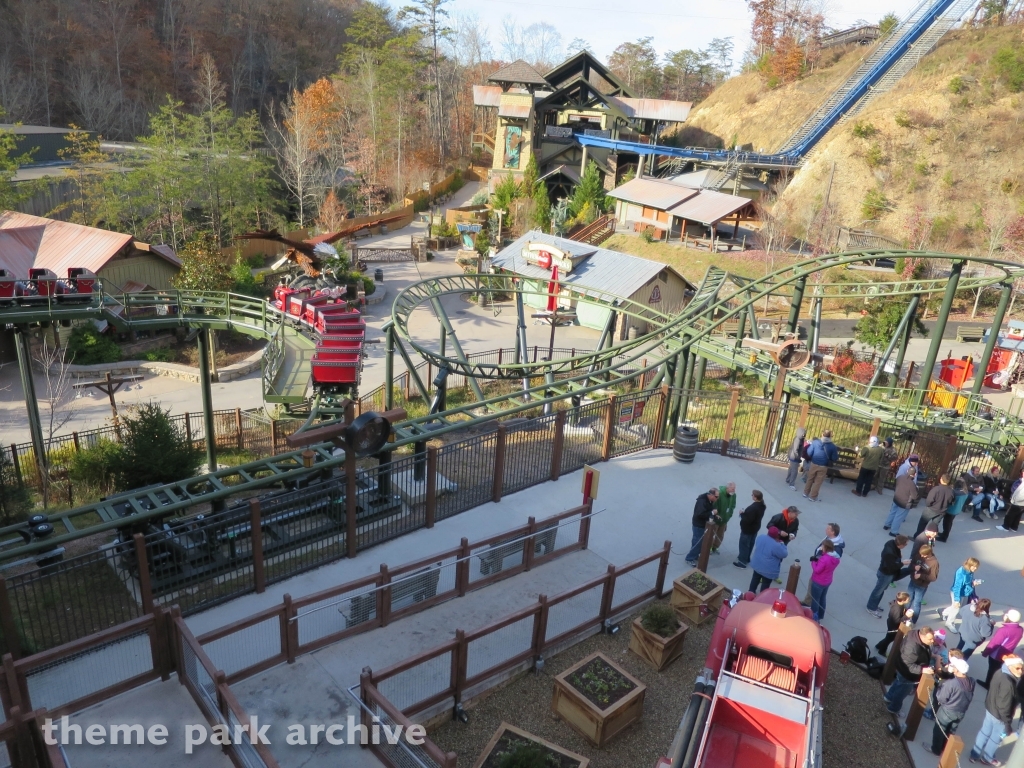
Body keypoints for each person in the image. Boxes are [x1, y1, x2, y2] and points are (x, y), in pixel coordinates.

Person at [969, 654, 1023, 766]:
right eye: (1017, 668)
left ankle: (974, 753)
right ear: (1010, 666)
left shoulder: (999, 672)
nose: (1021, 671)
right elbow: (1004, 706)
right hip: (1000, 717)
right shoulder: (1009, 683)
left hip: (990, 709)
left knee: (984, 732)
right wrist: (1007, 724)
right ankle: (987, 757)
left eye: (1022, 668)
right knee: (996, 739)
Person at [927, 656, 975, 756]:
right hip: (961, 712)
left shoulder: (952, 683)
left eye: (954, 666)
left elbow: (941, 698)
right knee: (950, 731)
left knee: (939, 729)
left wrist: (940, 687)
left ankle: (935, 749)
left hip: (947, 711)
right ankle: (945, 748)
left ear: (957, 670)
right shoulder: (971, 681)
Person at [884, 625, 935, 715]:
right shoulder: (912, 647)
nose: (932, 641)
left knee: (898, 683)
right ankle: (894, 708)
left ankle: (889, 697)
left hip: (902, 669)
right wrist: (923, 670)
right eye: (930, 639)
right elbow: (908, 665)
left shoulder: (916, 635)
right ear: (922, 636)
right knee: (901, 692)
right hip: (907, 674)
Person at [867, 534, 911, 616]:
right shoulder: (890, 554)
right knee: (878, 591)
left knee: (880, 591)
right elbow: (892, 566)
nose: (905, 546)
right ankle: (871, 607)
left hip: (885, 573)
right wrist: (902, 563)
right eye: (905, 544)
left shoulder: (891, 543)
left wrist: (899, 556)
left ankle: (874, 606)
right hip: (885, 574)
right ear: (901, 544)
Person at [980, 609, 1023, 689]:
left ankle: (988, 684)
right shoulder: (1020, 629)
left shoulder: (1003, 630)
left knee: (992, 670)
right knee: (998, 669)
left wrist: (985, 652)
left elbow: (994, 643)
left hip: (996, 654)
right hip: (1007, 653)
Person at [685, 488, 721, 566]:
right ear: (710, 495)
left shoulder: (709, 500)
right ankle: (689, 558)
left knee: (700, 542)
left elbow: (708, 509)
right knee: (697, 542)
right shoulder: (702, 501)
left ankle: (695, 555)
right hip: (698, 525)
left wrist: (714, 515)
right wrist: (712, 512)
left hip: (703, 524)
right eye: (716, 496)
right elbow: (700, 514)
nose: (717, 498)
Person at [941, 557, 981, 628]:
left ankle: (943, 612)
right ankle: (949, 623)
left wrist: (973, 582)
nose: (975, 568)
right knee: (956, 608)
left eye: (976, 567)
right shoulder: (962, 573)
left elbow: (968, 581)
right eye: (974, 566)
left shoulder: (969, 571)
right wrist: (957, 600)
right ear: (969, 565)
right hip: (958, 593)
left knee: (959, 607)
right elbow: (957, 587)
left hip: (965, 593)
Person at [749, 526, 789, 594]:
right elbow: (784, 554)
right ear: (777, 535)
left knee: (755, 579)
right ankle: (761, 598)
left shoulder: (761, 537)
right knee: (765, 585)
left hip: (757, 564)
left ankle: (750, 594)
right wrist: (782, 544)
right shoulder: (777, 545)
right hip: (768, 570)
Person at [733, 490, 766, 569]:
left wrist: (742, 514)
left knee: (744, 545)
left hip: (747, 529)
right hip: (755, 528)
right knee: (750, 544)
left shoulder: (753, 508)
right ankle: (747, 558)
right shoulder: (762, 506)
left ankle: (742, 562)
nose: (751, 496)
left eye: (752, 495)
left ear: (755, 497)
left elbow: (748, 520)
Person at [802, 430, 838, 502]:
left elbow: (809, 452)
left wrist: (813, 457)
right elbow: (835, 458)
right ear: (830, 436)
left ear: (822, 434)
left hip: (814, 463)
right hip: (823, 466)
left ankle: (805, 493)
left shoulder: (815, 442)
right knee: (818, 482)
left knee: (810, 478)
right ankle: (812, 497)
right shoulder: (833, 446)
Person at [914, 473, 955, 538]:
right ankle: (930, 540)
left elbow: (929, 500)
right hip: (941, 512)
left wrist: (929, 505)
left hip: (931, 509)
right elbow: (950, 501)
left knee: (922, 524)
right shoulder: (951, 491)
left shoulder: (936, 489)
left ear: (941, 479)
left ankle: (917, 537)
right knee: (934, 527)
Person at [809, 539, 840, 621]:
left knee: (815, 600)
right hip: (827, 581)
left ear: (826, 547)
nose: (821, 547)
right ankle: (821, 615)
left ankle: (814, 618)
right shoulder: (836, 558)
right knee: (822, 598)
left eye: (822, 546)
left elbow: (817, 570)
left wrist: (813, 562)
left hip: (818, 581)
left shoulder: (824, 559)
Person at [884, 467, 920, 537]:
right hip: (904, 503)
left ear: (907, 471)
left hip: (896, 498)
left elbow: (896, 485)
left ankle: (887, 525)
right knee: (899, 517)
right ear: (915, 474)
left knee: (892, 512)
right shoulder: (912, 484)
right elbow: (914, 496)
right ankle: (893, 531)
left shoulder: (900, 477)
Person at [908, 543, 939, 624]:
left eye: (923, 555)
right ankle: (903, 616)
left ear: (928, 554)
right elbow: (912, 563)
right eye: (920, 554)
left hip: (921, 586)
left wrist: (921, 576)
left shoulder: (934, 563)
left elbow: (933, 577)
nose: (921, 556)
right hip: (912, 581)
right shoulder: (918, 555)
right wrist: (914, 566)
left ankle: (913, 621)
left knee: (916, 603)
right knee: (908, 599)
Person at [711, 482, 737, 554]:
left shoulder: (733, 495)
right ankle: (709, 547)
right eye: (732, 489)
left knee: (720, 535)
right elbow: (714, 505)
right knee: (711, 534)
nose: (734, 490)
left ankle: (715, 547)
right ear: (727, 488)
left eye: (734, 489)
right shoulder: (719, 494)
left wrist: (729, 515)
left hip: (724, 520)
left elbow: (733, 505)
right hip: (716, 519)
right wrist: (716, 515)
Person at [998, 468, 1024, 533]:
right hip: (1022, 502)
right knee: (1018, 515)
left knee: (1009, 514)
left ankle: (1005, 527)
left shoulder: (1022, 481)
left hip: (1018, 501)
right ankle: (1014, 527)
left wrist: (1015, 499)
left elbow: (1020, 492)